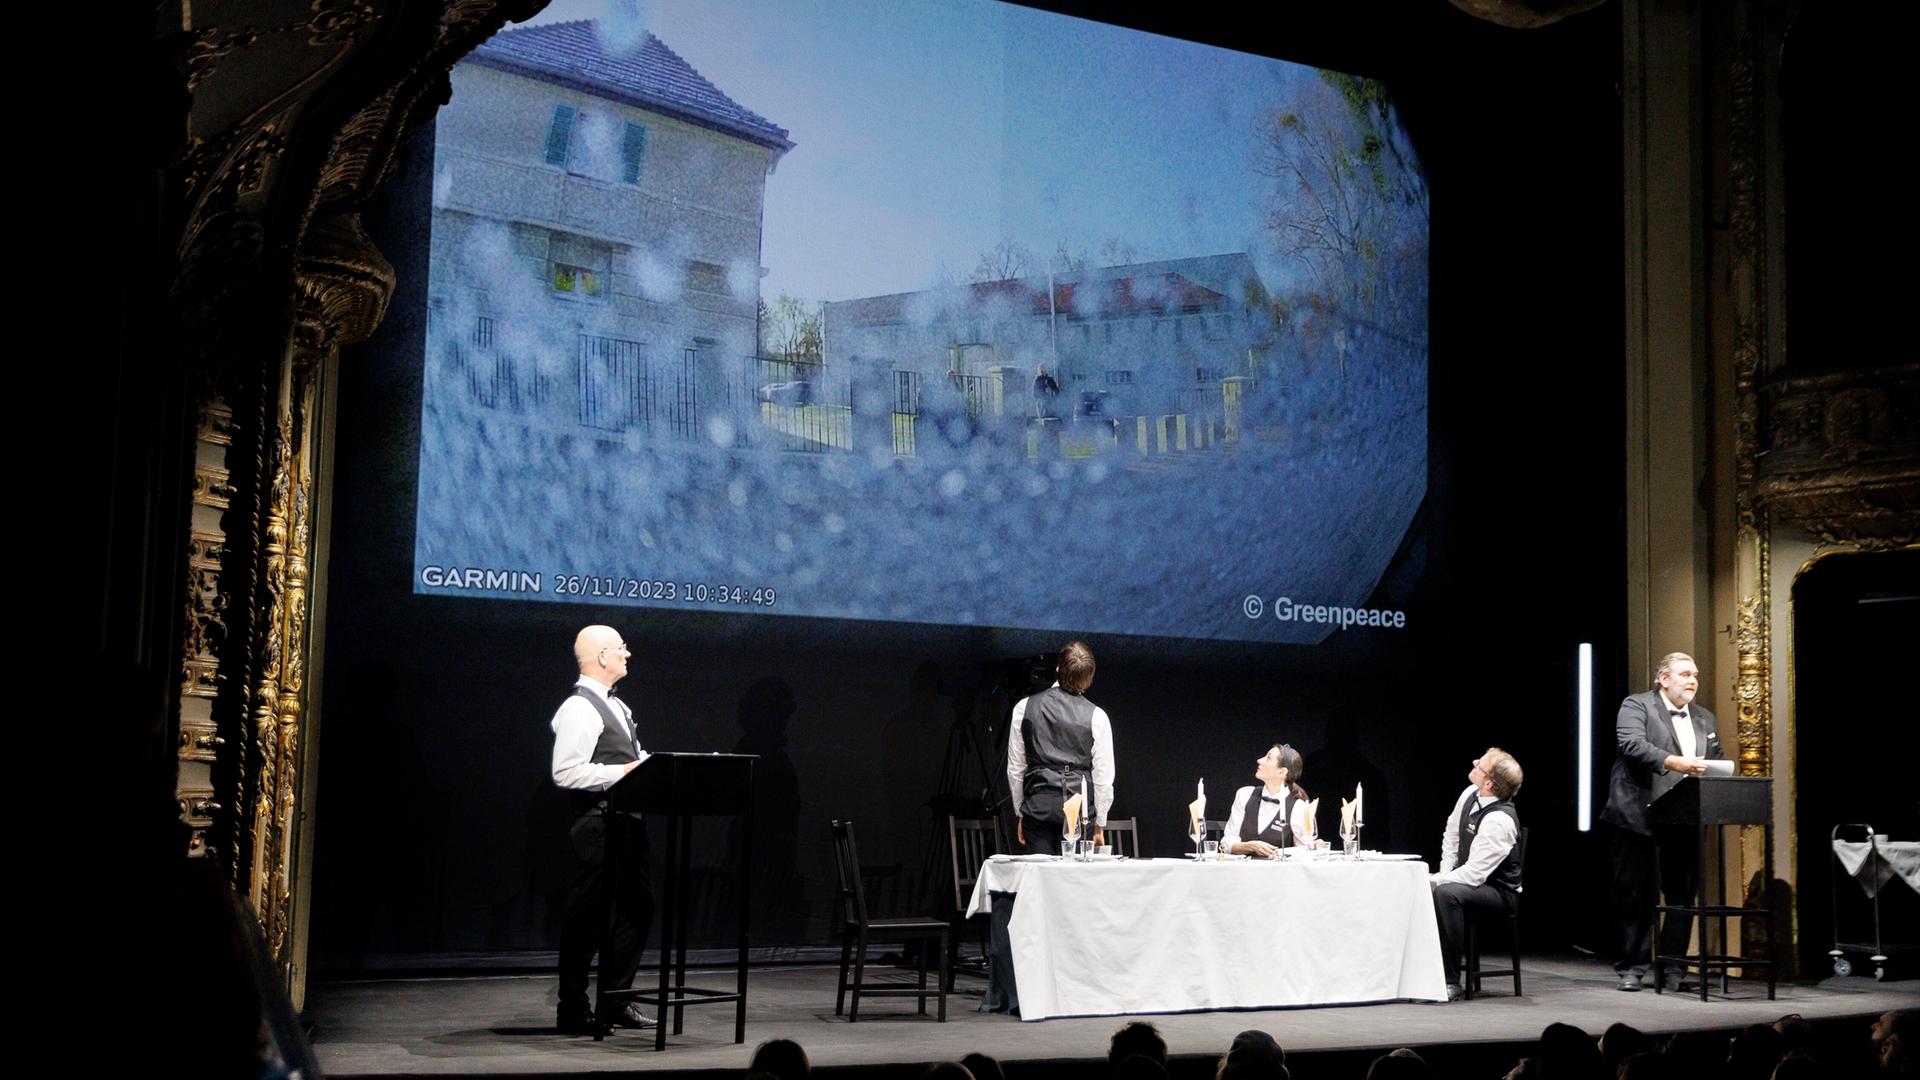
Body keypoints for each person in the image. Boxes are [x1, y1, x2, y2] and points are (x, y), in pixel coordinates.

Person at [551, 625, 655, 1033]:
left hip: (627, 825)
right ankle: (572, 1007)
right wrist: (626, 771)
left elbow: (632, 759)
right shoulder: (579, 708)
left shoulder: (618, 706)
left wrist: (648, 766)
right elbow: (565, 772)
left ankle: (614, 1000)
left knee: (637, 908)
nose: (628, 655)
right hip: (598, 825)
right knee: (589, 920)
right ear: (601, 657)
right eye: (622, 649)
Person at [1600, 651, 1721, 992]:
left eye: (1695, 674)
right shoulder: (1636, 705)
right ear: (1663, 679)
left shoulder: (1705, 719)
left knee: (1682, 895)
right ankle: (1632, 968)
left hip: (1683, 818)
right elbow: (1632, 745)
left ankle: (1673, 970)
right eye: (1685, 674)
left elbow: (1716, 758)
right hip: (1639, 813)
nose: (1693, 680)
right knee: (1636, 894)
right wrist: (1675, 762)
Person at [1429, 747, 1525, 1000]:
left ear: (1490, 783)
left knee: (1446, 894)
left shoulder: (1499, 820)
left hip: (1500, 891)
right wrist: (1444, 872)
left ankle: (1451, 982)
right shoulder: (1470, 793)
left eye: (1480, 764)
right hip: (1470, 881)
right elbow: (1451, 835)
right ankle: (1424, 972)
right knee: (1440, 888)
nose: (1474, 762)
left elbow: (1474, 875)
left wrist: (1438, 882)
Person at [1007, 642, 1114, 855]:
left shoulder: (1024, 708)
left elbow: (1016, 769)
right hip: (1079, 808)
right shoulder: (1097, 717)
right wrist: (1100, 822)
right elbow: (1103, 777)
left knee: (1040, 882)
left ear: (1058, 668)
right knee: (1077, 885)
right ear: (1089, 679)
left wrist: (1021, 813)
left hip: (1038, 806)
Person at [1221, 744, 1319, 857]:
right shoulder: (1245, 795)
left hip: (1280, 872)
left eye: (1268, 758)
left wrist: (1313, 846)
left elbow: (1305, 849)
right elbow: (1226, 842)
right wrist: (1251, 846)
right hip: (1242, 871)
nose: (1259, 760)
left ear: (1282, 772)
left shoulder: (1298, 807)